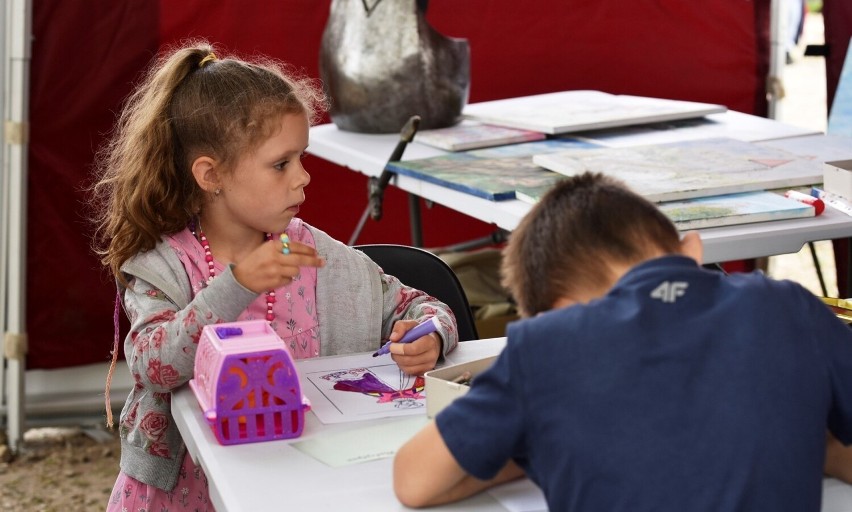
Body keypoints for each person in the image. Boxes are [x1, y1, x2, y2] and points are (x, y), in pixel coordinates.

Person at [91, 40, 459, 511]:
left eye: (301, 158)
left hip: (295, 488)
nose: (303, 177)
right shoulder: (165, 266)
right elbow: (151, 364)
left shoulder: (310, 253)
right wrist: (236, 285)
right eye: (281, 164)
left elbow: (422, 306)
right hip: (178, 499)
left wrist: (429, 335)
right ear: (211, 175)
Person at [394, 172, 852, 511]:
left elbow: (412, 480)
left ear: (563, 309)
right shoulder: (789, 305)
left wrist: (529, 439)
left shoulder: (546, 344)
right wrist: (819, 444)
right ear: (692, 250)